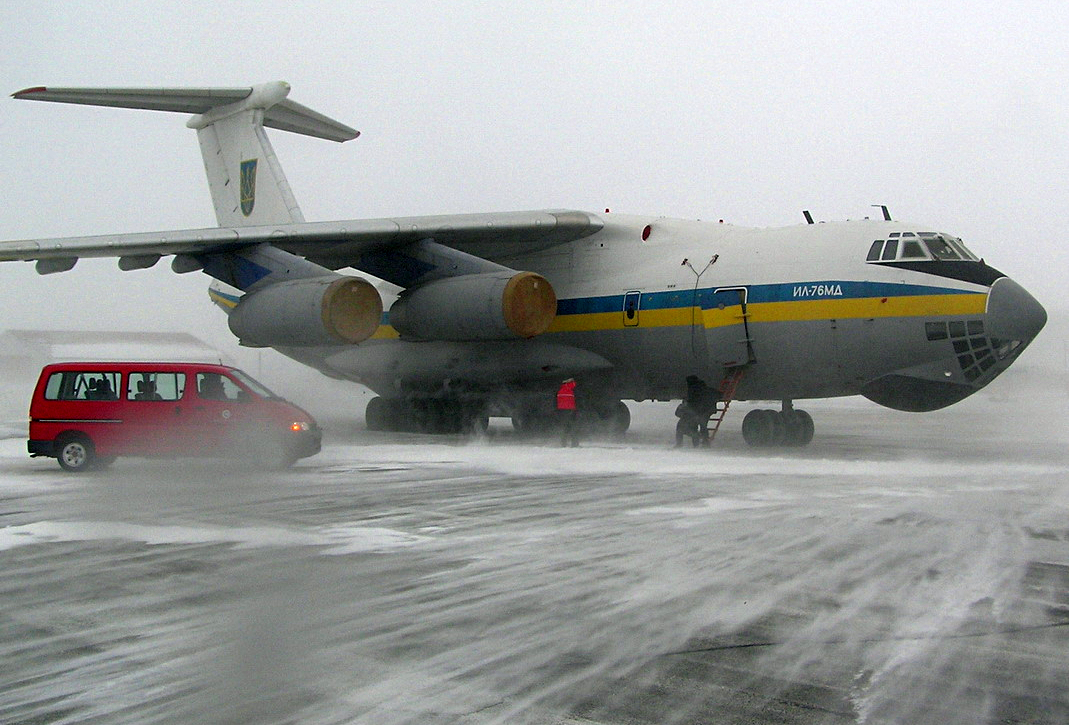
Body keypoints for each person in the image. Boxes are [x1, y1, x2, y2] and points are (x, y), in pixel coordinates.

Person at [556, 377, 579, 447]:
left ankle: (563, 443)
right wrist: (571, 380)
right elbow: (574, 384)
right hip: (570, 410)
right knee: (573, 427)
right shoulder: (568, 389)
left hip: (562, 411)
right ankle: (574, 444)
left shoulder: (560, 391)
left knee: (565, 427)